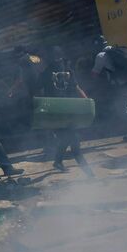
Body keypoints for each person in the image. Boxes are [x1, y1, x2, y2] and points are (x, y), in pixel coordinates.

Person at [39, 49, 94, 177]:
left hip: (65, 112)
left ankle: (58, 162)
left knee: (66, 139)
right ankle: (91, 175)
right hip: (60, 113)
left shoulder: (49, 73)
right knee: (74, 143)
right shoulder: (54, 73)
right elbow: (77, 88)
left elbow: (76, 87)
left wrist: (87, 102)